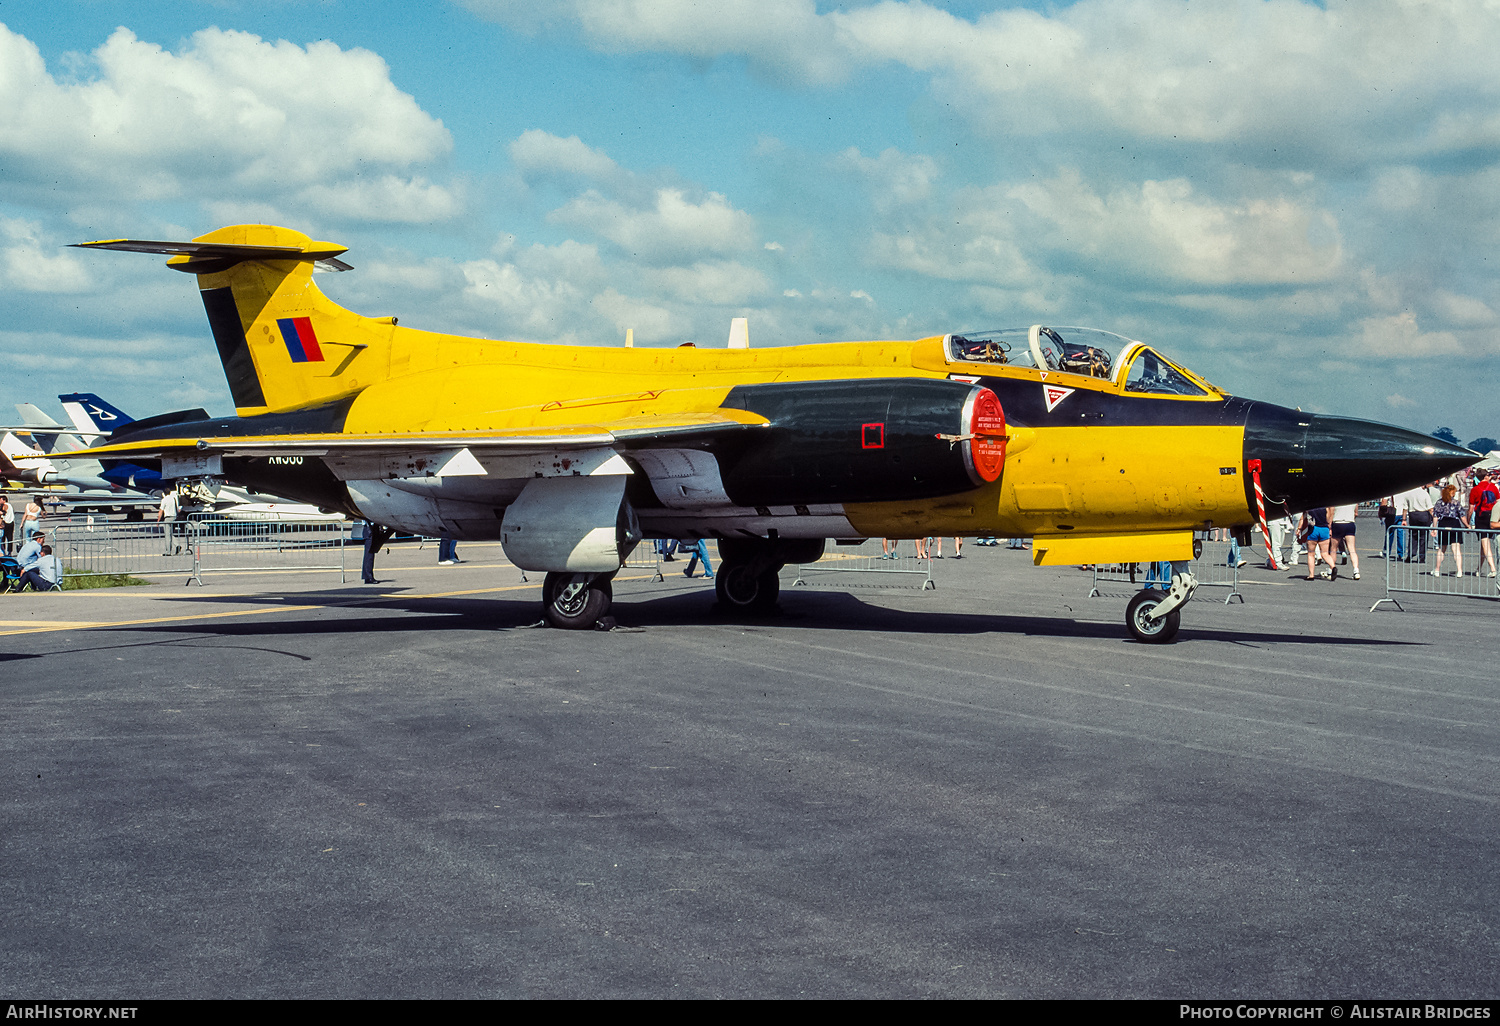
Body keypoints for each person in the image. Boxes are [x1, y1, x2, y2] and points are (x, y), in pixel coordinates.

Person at [1431, 483, 1468, 577]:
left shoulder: (1439, 502)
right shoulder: (1456, 502)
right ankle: (1459, 570)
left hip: (1443, 523)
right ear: (1452, 493)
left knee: (1442, 548)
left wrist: (1434, 528)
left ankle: (1437, 569)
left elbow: (1435, 516)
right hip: (1454, 523)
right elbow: (1462, 516)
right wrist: (1467, 525)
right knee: (1456, 549)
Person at [1467, 468, 1498, 578]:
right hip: (1492, 514)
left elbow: (1471, 509)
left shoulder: (1475, 489)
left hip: (1481, 516)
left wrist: (1468, 522)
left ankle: (1493, 569)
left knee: (1484, 542)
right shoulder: (1494, 487)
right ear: (1486, 476)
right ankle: (1479, 568)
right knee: (1484, 544)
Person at [1395, 483, 1434, 565]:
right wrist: (1434, 518)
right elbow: (1430, 508)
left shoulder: (1409, 494)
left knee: (1413, 535)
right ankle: (1421, 557)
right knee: (1423, 536)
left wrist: (1404, 519)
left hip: (1413, 515)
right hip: (1423, 515)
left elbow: (1405, 508)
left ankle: (1410, 554)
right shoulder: (1425, 493)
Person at [1298, 507, 1338, 580]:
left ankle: (1311, 575)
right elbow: (1329, 517)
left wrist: (1299, 529)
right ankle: (1333, 566)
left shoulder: (1309, 507)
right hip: (1324, 529)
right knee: (1325, 553)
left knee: (1311, 554)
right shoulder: (1325, 507)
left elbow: (1303, 518)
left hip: (1313, 529)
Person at [1329, 503, 1361, 580]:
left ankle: (1331, 569)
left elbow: (1331, 512)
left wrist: (1329, 526)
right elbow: (1356, 513)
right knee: (1352, 549)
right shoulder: (1354, 500)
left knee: (1333, 549)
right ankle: (1356, 570)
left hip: (1337, 523)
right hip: (1349, 522)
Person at [156, 488, 182, 555]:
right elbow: (177, 508)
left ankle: (168, 552)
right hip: (174, 517)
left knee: (167, 535)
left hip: (167, 518)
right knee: (171, 534)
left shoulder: (164, 500)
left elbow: (161, 511)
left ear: (164, 493)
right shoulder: (173, 499)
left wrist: (158, 520)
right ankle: (177, 545)